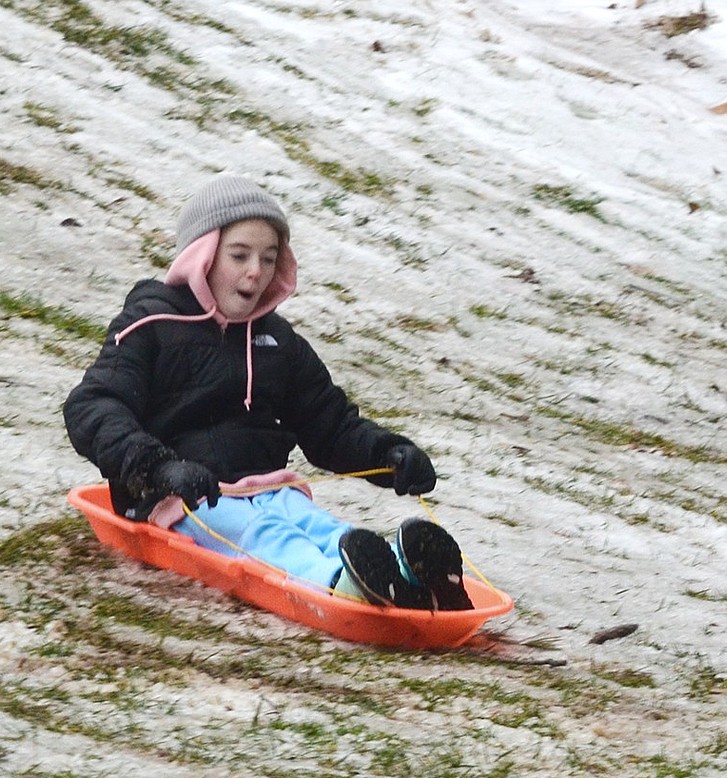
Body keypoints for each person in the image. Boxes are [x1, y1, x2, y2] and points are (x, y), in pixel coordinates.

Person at [64, 174, 472, 611]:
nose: (255, 272)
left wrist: (388, 456)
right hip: (182, 503)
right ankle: (340, 584)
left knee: (314, 524)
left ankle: (410, 578)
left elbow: (329, 423)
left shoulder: (279, 342)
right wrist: (158, 467)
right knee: (265, 536)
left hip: (269, 489)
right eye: (239, 255)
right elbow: (93, 406)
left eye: (269, 258)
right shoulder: (152, 324)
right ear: (202, 255)